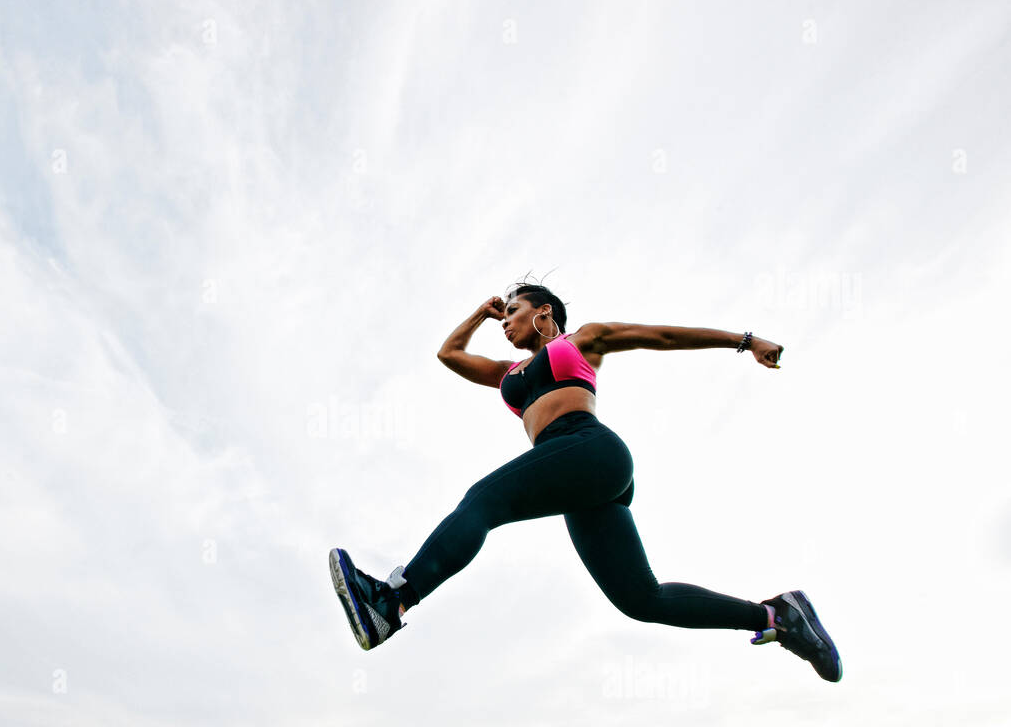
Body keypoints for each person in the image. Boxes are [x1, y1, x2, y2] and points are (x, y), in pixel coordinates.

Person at [329, 279, 842, 683]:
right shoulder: (509, 372)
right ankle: (777, 616)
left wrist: (747, 342)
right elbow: (449, 355)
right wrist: (478, 313)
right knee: (642, 600)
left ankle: (391, 601)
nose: (504, 323)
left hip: (590, 449)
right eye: (502, 315)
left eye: (512, 312)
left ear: (544, 313)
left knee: (482, 502)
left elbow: (663, 337)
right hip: (576, 477)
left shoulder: (583, 341)